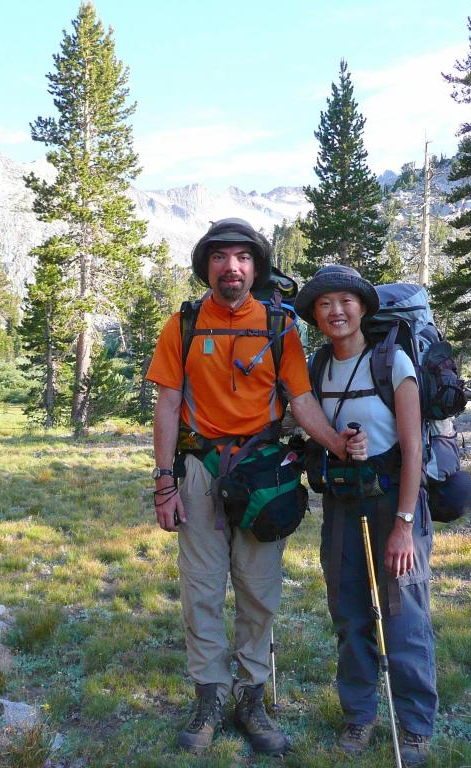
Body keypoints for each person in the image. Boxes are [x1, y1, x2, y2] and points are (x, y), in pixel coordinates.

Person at [146, 219, 366, 756]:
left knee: (259, 591)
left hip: (264, 471)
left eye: (242, 258)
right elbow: (169, 404)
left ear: (256, 267)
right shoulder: (184, 323)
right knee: (201, 589)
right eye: (220, 257)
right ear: (207, 267)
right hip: (198, 468)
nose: (231, 267)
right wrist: (163, 481)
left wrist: (337, 444)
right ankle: (209, 697)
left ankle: (251, 697)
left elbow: (302, 400)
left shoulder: (279, 324)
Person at [294, 265, 437, 765]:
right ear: (315, 315)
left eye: (345, 302)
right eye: (324, 304)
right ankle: (359, 715)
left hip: (395, 495)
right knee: (349, 608)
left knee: (403, 611)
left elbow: (414, 448)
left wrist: (403, 526)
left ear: (363, 308)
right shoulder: (317, 367)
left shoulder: (392, 362)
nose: (336, 311)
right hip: (342, 498)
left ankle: (415, 724)